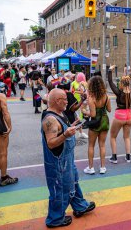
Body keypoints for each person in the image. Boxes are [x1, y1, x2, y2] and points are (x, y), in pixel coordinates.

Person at [41, 88, 95, 227]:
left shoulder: (59, 113)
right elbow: (51, 143)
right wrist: (66, 135)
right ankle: (55, 219)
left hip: (67, 160)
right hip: (59, 163)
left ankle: (80, 206)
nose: (68, 102)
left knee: (73, 182)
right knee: (60, 190)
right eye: (65, 99)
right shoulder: (51, 119)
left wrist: (71, 127)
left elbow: (61, 130)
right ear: (57, 101)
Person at [107, 65, 131, 164]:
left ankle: (114, 158)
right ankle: (128, 157)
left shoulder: (119, 93)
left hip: (119, 116)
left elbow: (110, 82)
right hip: (129, 116)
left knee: (112, 136)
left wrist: (110, 71)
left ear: (122, 83)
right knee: (127, 137)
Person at [82, 76, 110, 174]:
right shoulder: (106, 96)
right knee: (102, 145)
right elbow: (109, 110)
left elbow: (93, 114)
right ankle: (102, 167)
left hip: (95, 123)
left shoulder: (91, 98)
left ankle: (91, 168)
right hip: (104, 121)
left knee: (91, 146)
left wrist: (85, 112)